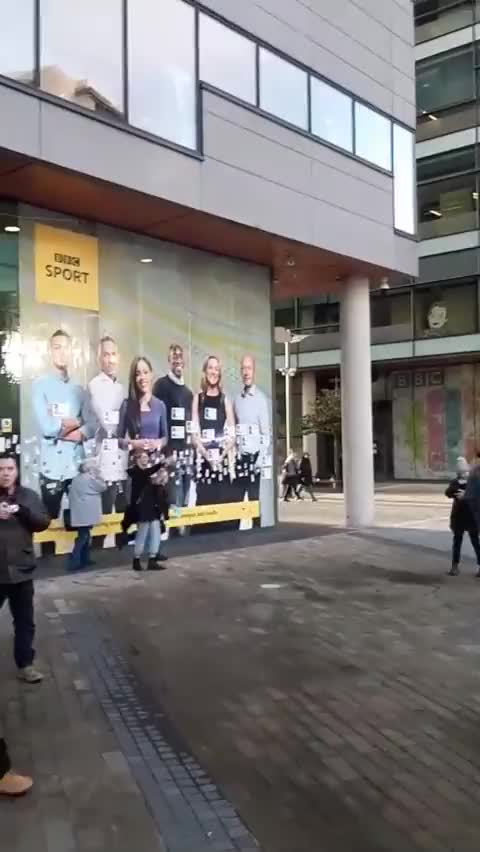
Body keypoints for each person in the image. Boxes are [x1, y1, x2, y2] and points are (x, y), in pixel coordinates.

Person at [0, 454, 50, 683]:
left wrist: (21, 511)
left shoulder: (28, 496)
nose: (5, 473)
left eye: (10, 468)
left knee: (24, 621)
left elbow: (42, 522)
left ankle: (26, 665)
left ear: (16, 471)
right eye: (1, 469)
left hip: (21, 569)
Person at [32, 329, 91, 520]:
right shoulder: (40, 386)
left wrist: (76, 426)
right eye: (57, 347)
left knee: (81, 522)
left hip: (76, 467)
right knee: (48, 522)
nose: (62, 352)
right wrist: (77, 421)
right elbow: (47, 427)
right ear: (50, 351)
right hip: (51, 469)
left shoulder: (79, 389)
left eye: (66, 348)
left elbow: (91, 425)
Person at [191, 356, 235, 524]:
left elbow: (232, 436)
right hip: (203, 461)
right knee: (203, 505)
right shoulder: (198, 398)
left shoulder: (225, 400)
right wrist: (207, 455)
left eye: (216, 369)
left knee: (220, 505)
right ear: (205, 371)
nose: (213, 372)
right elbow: (194, 434)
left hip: (221, 462)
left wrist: (221, 456)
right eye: (210, 368)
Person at [153, 344, 193, 519]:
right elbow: (157, 422)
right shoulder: (160, 386)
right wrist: (165, 453)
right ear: (169, 360)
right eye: (173, 356)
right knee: (174, 505)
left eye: (180, 355)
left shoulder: (189, 393)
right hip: (170, 457)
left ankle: (181, 540)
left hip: (186, 457)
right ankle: (173, 543)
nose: (177, 358)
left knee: (183, 503)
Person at [87, 336, 127, 515]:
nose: (110, 359)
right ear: (99, 358)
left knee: (122, 518)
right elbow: (109, 424)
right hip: (103, 462)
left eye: (113, 354)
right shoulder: (94, 385)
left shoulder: (121, 387)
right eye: (105, 355)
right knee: (102, 519)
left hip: (122, 461)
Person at [233, 355, 270, 513]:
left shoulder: (260, 399)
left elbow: (266, 433)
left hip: (255, 459)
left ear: (254, 371)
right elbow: (234, 430)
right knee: (237, 503)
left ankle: (257, 533)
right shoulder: (237, 400)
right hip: (241, 459)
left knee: (254, 504)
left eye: (249, 368)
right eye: (243, 368)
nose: (246, 372)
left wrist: (260, 460)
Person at [127, 451, 169, 572]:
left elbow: (154, 486)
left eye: (147, 457)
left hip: (152, 507)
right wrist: (160, 469)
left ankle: (152, 559)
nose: (146, 459)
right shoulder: (135, 472)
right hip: (142, 508)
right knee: (142, 534)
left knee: (155, 534)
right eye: (143, 456)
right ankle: (136, 559)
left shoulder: (147, 473)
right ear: (137, 459)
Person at [118, 357, 168, 454]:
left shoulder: (160, 405)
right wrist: (134, 444)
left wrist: (157, 443)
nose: (142, 377)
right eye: (138, 374)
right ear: (133, 378)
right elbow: (118, 441)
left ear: (151, 375)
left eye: (145, 372)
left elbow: (165, 438)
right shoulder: (126, 405)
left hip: (155, 464)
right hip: (135, 464)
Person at [68, 459, 107, 571]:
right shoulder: (89, 479)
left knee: (85, 535)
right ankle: (75, 561)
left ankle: (84, 559)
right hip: (86, 513)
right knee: (83, 537)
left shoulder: (77, 478)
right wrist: (99, 475)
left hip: (80, 513)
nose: (96, 469)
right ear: (90, 469)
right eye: (94, 467)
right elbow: (103, 487)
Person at [447, 457, 480, 577]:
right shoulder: (455, 482)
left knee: (475, 541)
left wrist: (465, 494)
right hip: (460, 517)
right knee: (458, 541)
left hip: (470, 516)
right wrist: (457, 487)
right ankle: (455, 566)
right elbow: (448, 493)